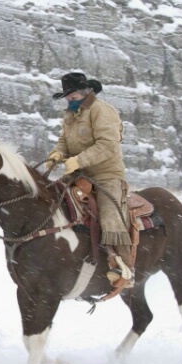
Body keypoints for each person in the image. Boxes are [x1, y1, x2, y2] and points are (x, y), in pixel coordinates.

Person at [47, 72, 133, 290]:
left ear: (85, 92)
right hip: (78, 174)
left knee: (110, 213)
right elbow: (64, 141)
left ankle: (123, 267)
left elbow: (108, 145)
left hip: (106, 174)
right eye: (67, 98)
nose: (70, 101)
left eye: (73, 97)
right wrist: (57, 154)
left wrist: (79, 160)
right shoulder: (71, 114)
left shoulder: (101, 111)